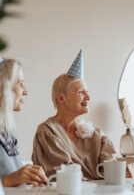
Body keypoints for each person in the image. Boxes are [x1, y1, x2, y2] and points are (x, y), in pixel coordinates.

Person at [32, 50, 116, 180]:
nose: (88, 97)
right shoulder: (47, 133)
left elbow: (112, 172)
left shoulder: (96, 136)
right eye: (81, 92)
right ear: (61, 99)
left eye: (87, 92)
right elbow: (65, 177)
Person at [0, 58, 47, 187]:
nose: (25, 91)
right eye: (20, 84)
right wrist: (8, 180)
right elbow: (8, 179)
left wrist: (26, 176)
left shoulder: (6, 132)